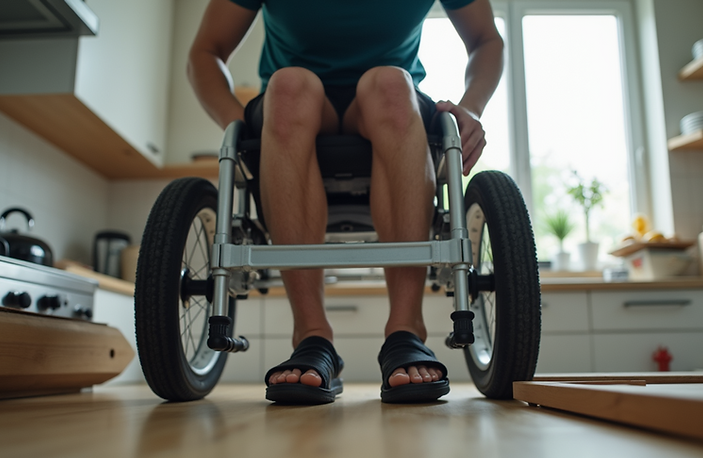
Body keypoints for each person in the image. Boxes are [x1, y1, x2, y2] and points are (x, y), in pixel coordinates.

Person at [188, 0, 503, 404]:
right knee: (288, 87)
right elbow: (205, 52)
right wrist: (237, 124)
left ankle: (406, 330)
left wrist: (471, 109)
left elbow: (486, 39)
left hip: (389, 108)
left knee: (391, 83)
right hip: (293, 111)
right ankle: (311, 335)